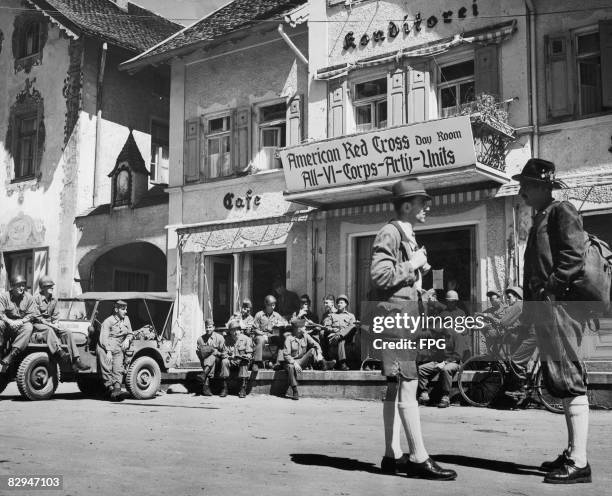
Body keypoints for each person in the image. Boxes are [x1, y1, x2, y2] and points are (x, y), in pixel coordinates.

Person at [370, 178, 456, 480]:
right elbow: (380, 277)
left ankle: (391, 456)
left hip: (403, 318)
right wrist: (414, 264)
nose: (427, 207)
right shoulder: (391, 232)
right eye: (422, 202)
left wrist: (420, 283)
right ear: (407, 205)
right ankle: (419, 458)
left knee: (396, 386)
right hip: (397, 320)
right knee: (408, 383)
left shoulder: (405, 234)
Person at [515, 158, 591, 484]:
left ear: (543, 187)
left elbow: (575, 256)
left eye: (527, 186)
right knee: (560, 380)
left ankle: (579, 462)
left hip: (560, 307)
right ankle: (573, 451)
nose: (521, 192)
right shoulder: (541, 217)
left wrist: (551, 289)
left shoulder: (563, 212)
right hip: (547, 309)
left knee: (569, 378)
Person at [32, 276, 90, 372]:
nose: (52, 288)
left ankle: (76, 360)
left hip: (50, 324)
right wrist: (50, 324)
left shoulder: (54, 299)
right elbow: (37, 317)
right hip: (38, 325)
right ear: (43, 287)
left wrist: (56, 324)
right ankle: (59, 351)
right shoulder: (36, 299)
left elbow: (55, 316)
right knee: (49, 330)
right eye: (49, 286)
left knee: (68, 332)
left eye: (52, 286)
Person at [416, 291, 463, 408]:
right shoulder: (439, 334)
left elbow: (458, 355)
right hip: (439, 361)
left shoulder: (457, 335)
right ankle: (424, 393)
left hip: (451, 362)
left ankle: (445, 396)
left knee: (445, 370)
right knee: (421, 369)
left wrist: (444, 363)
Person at [282, 318, 334, 400]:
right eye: (303, 327)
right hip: (291, 362)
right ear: (297, 329)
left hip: (302, 361)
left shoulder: (305, 336)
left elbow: (316, 344)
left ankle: (323, 363)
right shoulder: (289, 339)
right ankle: (295, 390)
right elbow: (286, 354)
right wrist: (294, 363)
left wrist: (319, 354)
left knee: (313, 349)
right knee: (290, 367)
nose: (305, 329)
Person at [97, 300, 133, 401]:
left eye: (126, 309)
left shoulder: (126, 319)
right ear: (116, 310)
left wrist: (127, 339)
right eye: (123, 309)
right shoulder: (108, 321)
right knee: (107, 366)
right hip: (105, 347)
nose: (125, 311)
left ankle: (117, 389)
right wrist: (108, 351)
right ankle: (110, 388)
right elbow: (103, 338)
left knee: (118, 368)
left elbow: (130, 333)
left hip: (118, 347)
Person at [0, 275, 37, 370]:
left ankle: (11, 355)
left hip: (20, 325)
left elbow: (31, 314)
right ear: (12, 286)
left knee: (28, 327)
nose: (22, 288)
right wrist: (10, 321)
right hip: (7, 324)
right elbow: (1, 313)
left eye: (23, 285)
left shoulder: (29, 297)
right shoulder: (4, 296)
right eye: (19, 285)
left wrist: (21, 321)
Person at [249, 295, 288, 385]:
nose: (273, 307)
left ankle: (279, 362)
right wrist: (263, 334)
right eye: (271, 305)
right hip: (261, 335)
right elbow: (254, 329)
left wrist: (283, 324)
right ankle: (257, 362)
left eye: (274, 305)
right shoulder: (259, 315)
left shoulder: (276, 315)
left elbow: (283, 322)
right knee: (260, 340)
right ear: (266, 305)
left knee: (282, 339)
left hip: (272, 336)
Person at [220, 319, 253, 398]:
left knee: (244, 362)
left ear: (240, 331)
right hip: (231, 361)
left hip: (241, 361)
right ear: (230, 332)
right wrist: (228, 356)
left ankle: (243, 388)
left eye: (237, 330)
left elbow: (250, 353)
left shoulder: (246, 339)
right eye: (233, 330)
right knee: (224, 361)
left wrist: (245, 356)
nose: (235, 332)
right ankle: (224, 387)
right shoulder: (227, 340)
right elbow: (224, 353)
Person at [323, 295, 357, 371]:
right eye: (338, 303)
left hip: (346, 337)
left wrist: (341, 334)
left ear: (346, 304)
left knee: (352, 327)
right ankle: (342, 363)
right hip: (333, 337)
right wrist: (333, 330)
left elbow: (353, 327)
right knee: (340, 340)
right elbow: (327, 327)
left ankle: (338, 362)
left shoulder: (351, 316)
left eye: (341, 303)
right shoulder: (332, 315)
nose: (339, 304)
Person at [196, 318, 226, 396]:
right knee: (209, 356)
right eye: (206, 327)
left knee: (212, 354)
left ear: (213, 327)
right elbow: (199, 354)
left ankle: (205, 381)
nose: (208, 329)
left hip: (218, 361)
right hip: (206, 362)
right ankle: (205, 379)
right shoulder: (200, 339)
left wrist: (216, 353)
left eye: (210, 327)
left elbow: (224, 353)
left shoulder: (219, 338)